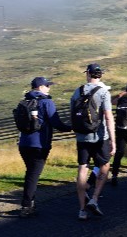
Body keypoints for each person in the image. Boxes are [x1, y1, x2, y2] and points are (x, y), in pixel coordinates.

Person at [18, 77, 71, 218]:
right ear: (40, 87)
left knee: (30, 173)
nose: (49, 88)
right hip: (40, 145)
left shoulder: (25, 101)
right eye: (47, 85)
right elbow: (56, 122)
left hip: (23, 143)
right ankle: (26, 206)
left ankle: (30, 203)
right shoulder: (47, 102)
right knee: (33, 175)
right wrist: (71, 128)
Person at [71, 63, 116, 220]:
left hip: (82, 136)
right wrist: (113, 140)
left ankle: (82, 210)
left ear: (88, 74)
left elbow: (73, 114)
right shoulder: (103, 92)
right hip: (99, 137)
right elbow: (109, 117)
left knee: (82, 169)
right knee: (104, 165)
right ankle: (95, 199)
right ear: (100, 75)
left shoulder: (78, 91)